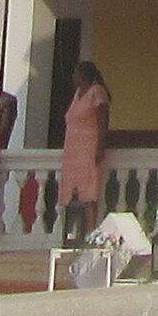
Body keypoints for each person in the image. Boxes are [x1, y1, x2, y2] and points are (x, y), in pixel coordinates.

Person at [58, 65, 111, 243]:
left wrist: (100, 147)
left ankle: (90, 233)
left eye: (77, 73)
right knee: (72, 193)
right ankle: (73, 234)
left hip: (88, 148)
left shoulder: (96, 92)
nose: (73, 76)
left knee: (89, 193)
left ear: (85, 75)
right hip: (73, 151)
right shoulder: (77, 94)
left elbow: (103, 120)